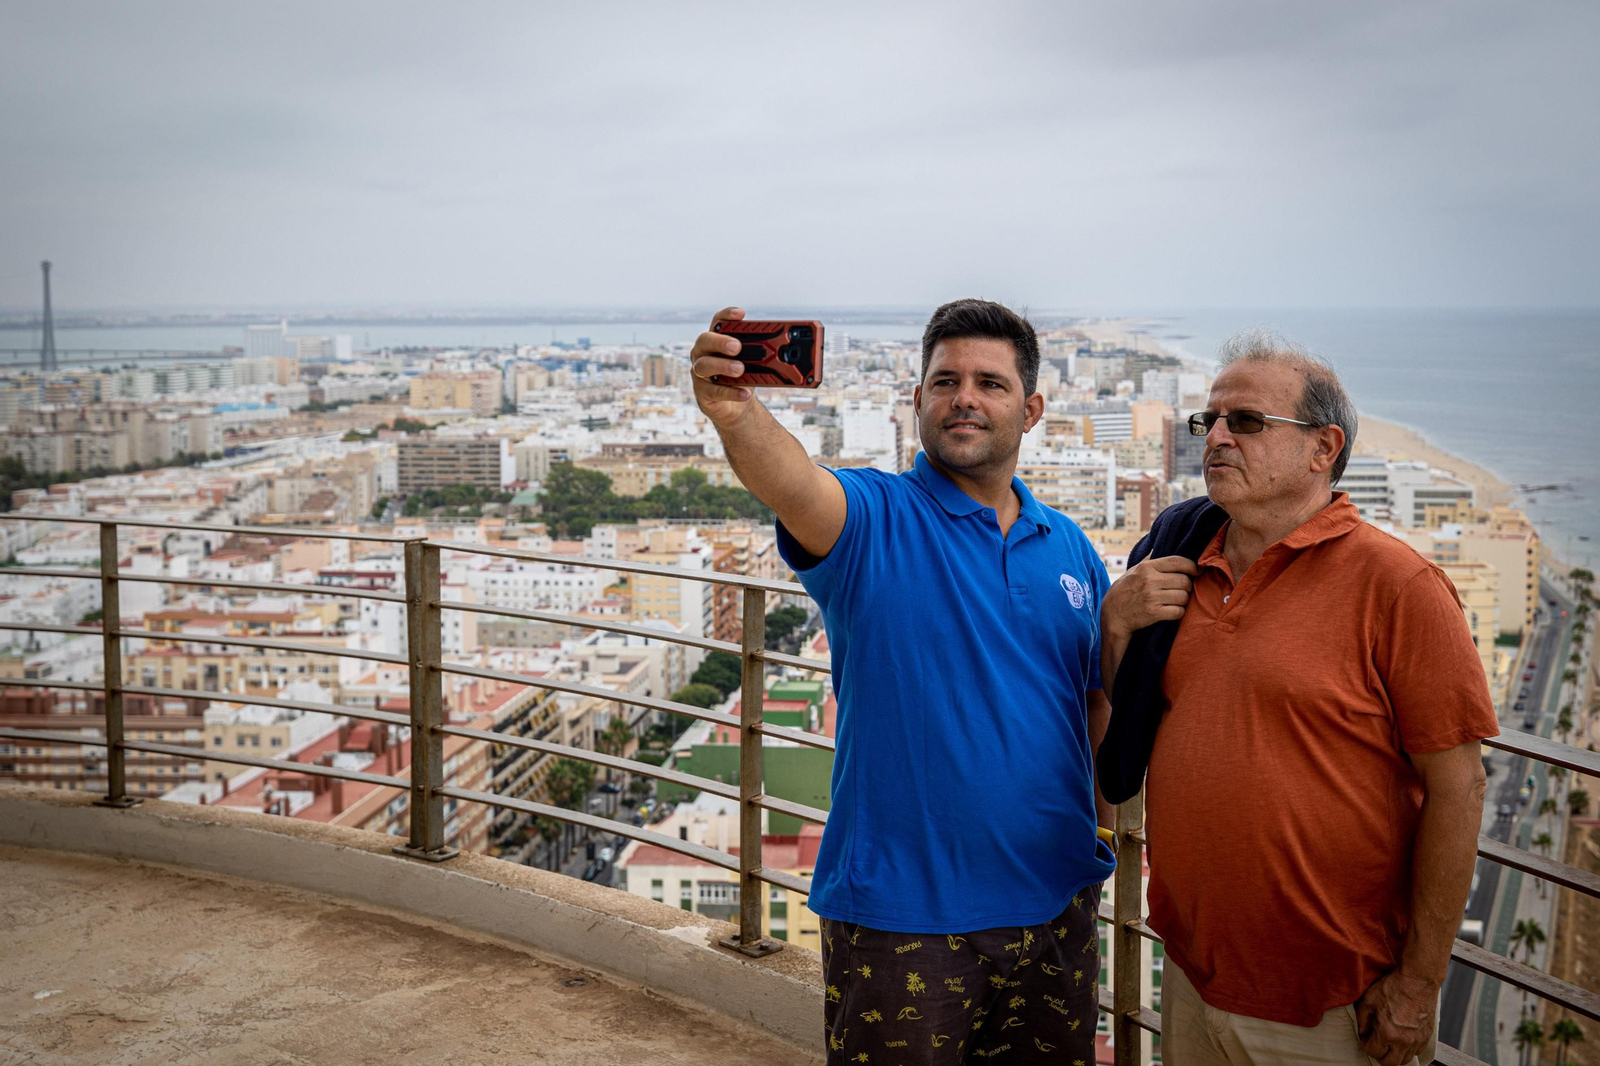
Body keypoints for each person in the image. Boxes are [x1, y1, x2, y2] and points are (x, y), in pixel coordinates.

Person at [691, 300, 1115, 1065]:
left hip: (1057, 906)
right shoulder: (875, 519)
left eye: (990, 382)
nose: (965, 397)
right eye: (945, 380)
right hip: (903, 919)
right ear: (918, 400)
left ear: (1033, 408)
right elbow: (792, 483)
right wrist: (733, 413)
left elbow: (1090, 703)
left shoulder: (1072, 548)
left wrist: (1104, 829)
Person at [1099, 332, 1497, 1066]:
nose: (1214, 437)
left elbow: (1459, 788)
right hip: (1189, 973)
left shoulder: (1398, 588)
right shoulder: (1179, 563)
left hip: (1329, 1007)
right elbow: (1128, 723)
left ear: (1323, 449)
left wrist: (1419, 985)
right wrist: (1116, 623)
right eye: (1208, 421)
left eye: (1245, 422)